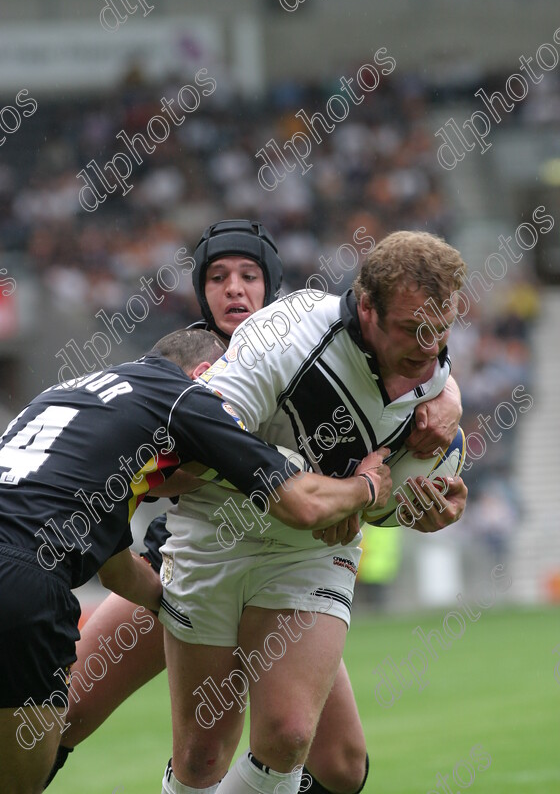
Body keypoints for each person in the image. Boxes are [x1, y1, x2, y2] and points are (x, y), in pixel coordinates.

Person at [51, 220, 463, 794]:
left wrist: (449, 406)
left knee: (337, 763)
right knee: (75, 718)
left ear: (273, 287)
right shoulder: (185, 359)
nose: (234, 290)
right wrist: (325, 490)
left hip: (295, 560)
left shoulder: (354, 343)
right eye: (218, 277)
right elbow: (167, 468)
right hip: (187, 554)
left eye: (249, 275)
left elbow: (425, 364)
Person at [0, 328, 392, 794]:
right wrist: (365, 488)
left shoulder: (70, 392)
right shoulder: (185, 397)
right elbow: (298, 503)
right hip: (24, 583)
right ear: (207, 375)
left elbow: (115, 566)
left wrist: (179, 605)